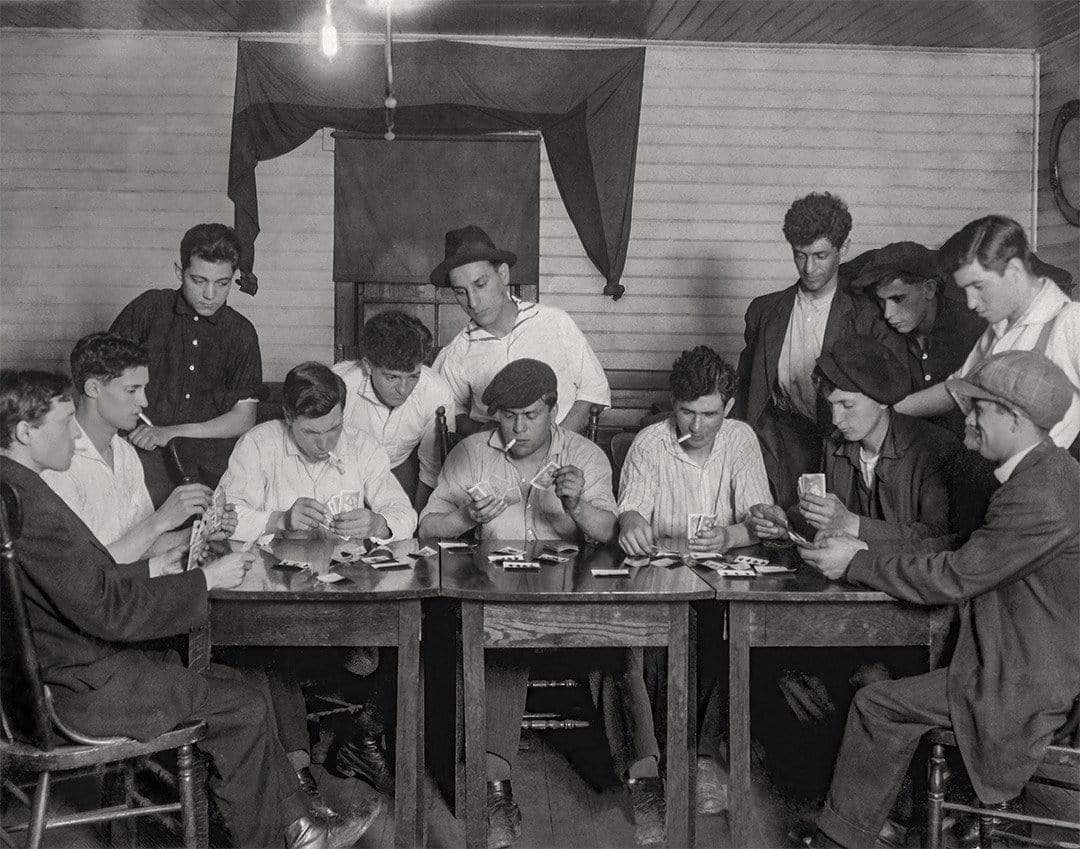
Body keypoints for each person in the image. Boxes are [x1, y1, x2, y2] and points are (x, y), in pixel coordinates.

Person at [0, 369, 378, 849]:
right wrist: (204, 580)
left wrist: (161, 564)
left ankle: (299, 828)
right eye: (64, 421)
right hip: (76, 691)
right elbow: (106, 611)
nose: (77, 432)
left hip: (55, 677)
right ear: (26, 431)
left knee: (243, 684)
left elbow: (85, 584)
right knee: (240, 704)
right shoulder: (29, 505)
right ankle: (286, 840)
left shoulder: (14, 492)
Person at [798, 350, 1080, 849]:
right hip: (1016, 657)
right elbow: (966, 548)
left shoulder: (1038, 493)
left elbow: (956, 576)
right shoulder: (1044, 473)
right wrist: (864, 547)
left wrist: (856, 564)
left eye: (979, 410)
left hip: (1020, 677)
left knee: (875, 703)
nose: (966, 418)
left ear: (1014, 420)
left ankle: (840, 842)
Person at [419, 359, 664, 848]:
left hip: (572, 604)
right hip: (497, 604)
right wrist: (466, 515)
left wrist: (576, 506)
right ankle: (493, 792)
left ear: (555, 410)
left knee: (618, 648)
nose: (518, 427)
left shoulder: (585, 455)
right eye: (507, 416)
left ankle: (645, 783)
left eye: (530, 414)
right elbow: (426, 527)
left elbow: (612, 534)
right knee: (496, 649)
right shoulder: (471, 453)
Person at [217, 361, 416, 797]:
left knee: (417, 628)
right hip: (277, 607)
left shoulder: (363, 447)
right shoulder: (257, 445)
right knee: (262, 648)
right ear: (288, 419)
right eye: (312, 433)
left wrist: (379, 522)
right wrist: (278, 517)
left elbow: (407, 515)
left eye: (334, 429)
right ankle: (297, 773)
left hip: (351, 603)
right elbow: (224, 521)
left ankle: (362, 736)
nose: (327, 444)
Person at [617, 346, 773, 816]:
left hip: (721, 579)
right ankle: (658, 762)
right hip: (660, 576)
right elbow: (629, 513)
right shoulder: (650, 442)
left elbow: (760, 521)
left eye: (709, 414)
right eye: (687, 412)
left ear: (727, 407)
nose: (697, 426)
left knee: (725, 634)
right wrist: (630, 525)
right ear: (672, 405)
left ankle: (703, 759)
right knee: (647, 642)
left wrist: (730, 534)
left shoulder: (741, 439)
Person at [734, 192, 901, 506]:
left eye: (821, 255)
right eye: (800, 254)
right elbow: (745, 388)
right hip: (777, 445)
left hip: (841, 445)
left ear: (844, 248)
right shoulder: (763, 311)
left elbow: (888, 398)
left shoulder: (868, 318)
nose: (808, 267)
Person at [748, 335, 970, 548]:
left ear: (882, 401)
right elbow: (829, 521)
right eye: (831, 405)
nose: (836, 419)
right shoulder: (834, 445)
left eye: (847, 405)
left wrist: (853, 524)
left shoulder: (935, 448)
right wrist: (787, 523)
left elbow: (943, 538)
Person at [41, 332, 232, 572]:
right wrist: (162, 519)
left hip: (127, 587)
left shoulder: (123, 451)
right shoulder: (57, 464)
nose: (144, 402)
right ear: (93, 388)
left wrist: (200, 533)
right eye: (132, 390)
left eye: (144, 389)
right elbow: (85, 574)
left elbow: (141, 547)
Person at [895, 216, 1080, 454]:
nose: (971, 302)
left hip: (1051, 481)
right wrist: (889, 409)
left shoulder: (1070, 321)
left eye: (979, 286)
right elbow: (959, 388)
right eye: (965, 290)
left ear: (1013, 271)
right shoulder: (999, 326)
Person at [109, 223, 263, 504]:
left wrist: (169, 432)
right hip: (139, 458)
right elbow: (104, 380)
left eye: (222, 283)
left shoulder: (242, 333)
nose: (209, 295)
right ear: (179, 272)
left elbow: (244, 418)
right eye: (198, 280)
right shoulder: (149, 309)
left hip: (212, 470)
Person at [430, 225, 611, 436]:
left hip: (562, 454)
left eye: (480, 284)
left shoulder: (554, 322)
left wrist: (555, 444)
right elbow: (450, 413)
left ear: (503, 274)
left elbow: (594, 391)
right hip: (495, 460)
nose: (473, 302)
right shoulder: (457, 352)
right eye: (461, 292)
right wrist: (492, 441)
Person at [849, 242, 986, 436]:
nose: (888, 313)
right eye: (881, 301)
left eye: (898, 299)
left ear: (929, 289)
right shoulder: (883, 332)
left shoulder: (974, 329)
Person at [332, 310, 455, 511]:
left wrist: (417, 528)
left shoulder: (437, 392)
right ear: (368, 366)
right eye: (392, 377)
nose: (403, 389)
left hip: (398, 466)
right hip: (342, 470)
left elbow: (432, 471)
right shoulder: (339, 384)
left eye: (413, 376)